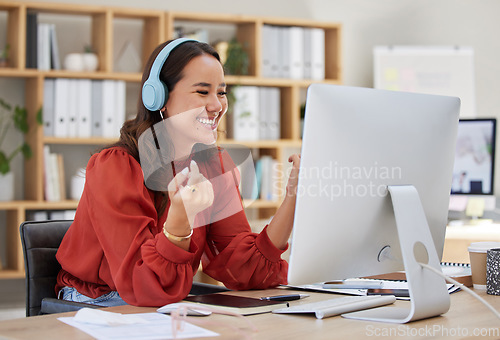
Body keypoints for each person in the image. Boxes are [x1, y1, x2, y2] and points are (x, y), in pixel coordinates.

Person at [55, 38, 300, 307]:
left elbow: (243, 269)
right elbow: (143, 284)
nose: (217, 105)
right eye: (202, 92)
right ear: (158, 97)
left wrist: (293, 196)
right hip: (99, 299)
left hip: (165, 298)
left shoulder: (213, 165)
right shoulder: (116, 167)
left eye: (221, 92)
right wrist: (180, 221)